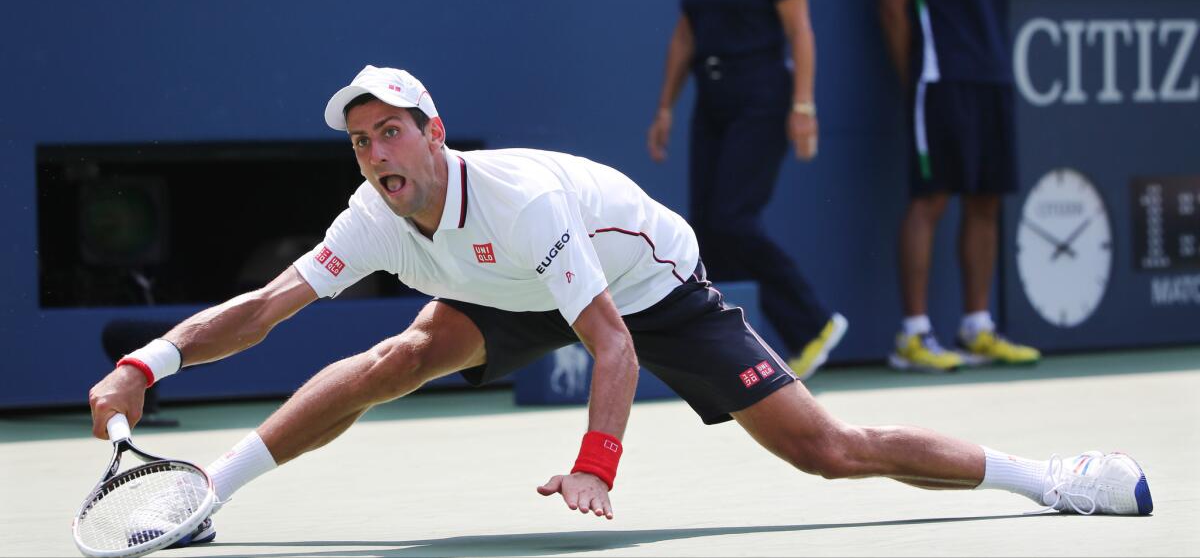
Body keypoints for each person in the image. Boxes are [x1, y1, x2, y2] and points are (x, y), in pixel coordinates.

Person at [88, 65, 1152, 547]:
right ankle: (201, 498)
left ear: (433, 129)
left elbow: (610, 342)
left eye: (390, 134)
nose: (375, 157)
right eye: (359, 143)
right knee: (391, 359)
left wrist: (598, 464)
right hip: (507, 288)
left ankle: (1049, 480)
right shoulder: (374, 212)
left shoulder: (522, 196)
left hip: (646, 291)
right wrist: (150, 364)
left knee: (827, 447)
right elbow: (267, 307)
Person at [646, 0, 847, 380]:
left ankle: (814, 324)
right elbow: (685, 37)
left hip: (761, 98)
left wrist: (803, 105)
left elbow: (799, 31)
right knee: (707, 231)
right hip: (711, 103)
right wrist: (666, 107)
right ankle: (735, 351)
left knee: (734, 219)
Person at [879, 0, 1041, 372]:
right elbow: (893, 7)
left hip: (992, 78)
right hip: (938, 80)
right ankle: (914, 334)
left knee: (986, 200)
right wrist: (916, 77)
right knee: (930, 200)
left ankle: (977, 326)